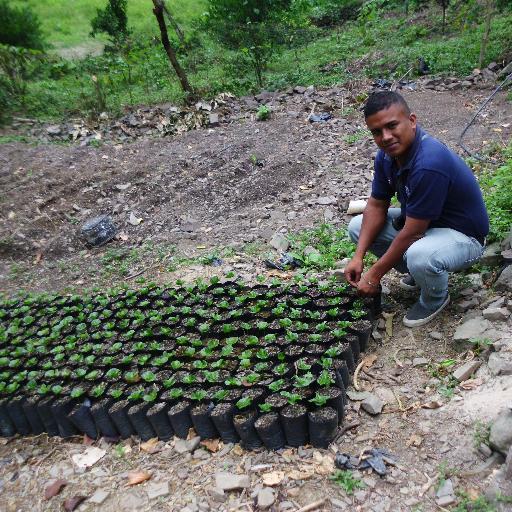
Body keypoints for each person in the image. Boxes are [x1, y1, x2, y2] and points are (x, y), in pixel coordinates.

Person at [344, 90, 489, 327]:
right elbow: (377, 204)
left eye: (392, 126)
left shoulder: (429, 162)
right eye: (377, 132)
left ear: (412, 121)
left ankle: (434, 298)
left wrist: (374, 275)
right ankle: (419, 274)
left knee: (419, 255)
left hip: (465, 237)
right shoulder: (386, 157)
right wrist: (358, 257)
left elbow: (413, 232)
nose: (386, 137)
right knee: (358, 227)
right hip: (428, 227)